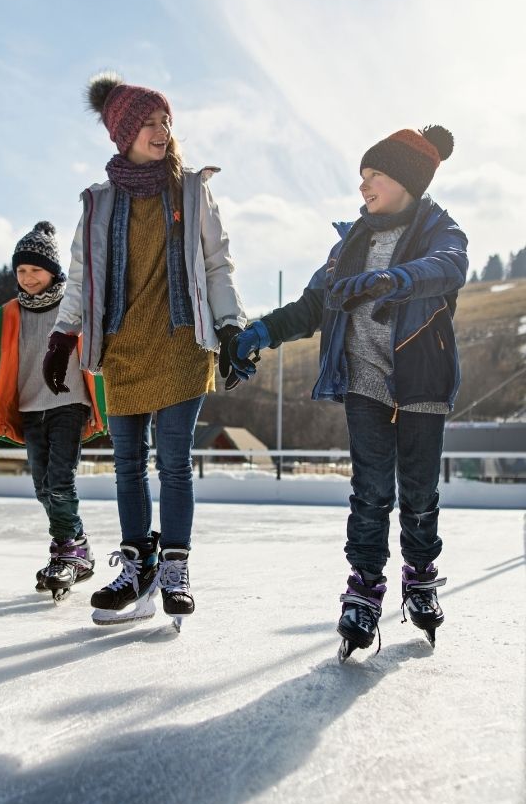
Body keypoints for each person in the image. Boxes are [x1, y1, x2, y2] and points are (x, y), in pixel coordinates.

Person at [228, 125, 468, 655]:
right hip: (365, 381)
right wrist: (260, 333)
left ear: (405, 178)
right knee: (371, 491)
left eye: (374, 174)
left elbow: (450, 268)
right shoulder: (348, 247)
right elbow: (314, 306)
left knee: (420, 492)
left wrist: (394, 281)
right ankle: (363, 588)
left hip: (422, 381)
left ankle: (421, 576)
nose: (363, 185)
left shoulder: (440, 230)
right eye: (361, 176)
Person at [42, 72, 246, 624]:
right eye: (149, 123)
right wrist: (64, 334)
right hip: (122, 349)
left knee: (174, 462)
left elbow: (216, 263)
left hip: (181, 342)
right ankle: (139, 563)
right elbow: (82, 278)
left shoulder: (190, 189)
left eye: (166, 122)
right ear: (123, 133)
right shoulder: (98, 202)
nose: (162, 131)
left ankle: (176, 565)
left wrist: (229, 325)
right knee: (126, 465)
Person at [0, 221, 106, 600]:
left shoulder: (76, 305)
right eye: (21, 270)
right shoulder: (6, 315)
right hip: (31, 408)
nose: (28, 277)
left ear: (53, 271)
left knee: (60, 481)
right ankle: (76, 544)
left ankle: (65, 550)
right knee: (42, 487)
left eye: (35, 269)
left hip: (70, 403)